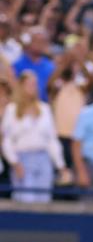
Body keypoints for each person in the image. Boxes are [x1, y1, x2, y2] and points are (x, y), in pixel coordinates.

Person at [1, 70, 66, 203]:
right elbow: (6, 140)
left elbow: (52, 140)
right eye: (29, 84)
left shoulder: (45, 109)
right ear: (21, 86)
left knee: (44, 201)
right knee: (25, 200)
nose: (33, 87)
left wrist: (61, 165)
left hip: (44, 159)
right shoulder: (12, 110)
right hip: (22, 159)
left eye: (35, 84)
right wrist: (15, 162)